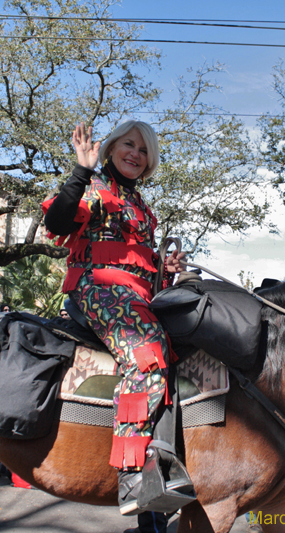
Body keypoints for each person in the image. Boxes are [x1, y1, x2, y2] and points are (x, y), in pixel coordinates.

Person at [42, 121, 187, 515]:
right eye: (129, 145)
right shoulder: (94, 185)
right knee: (148, 355)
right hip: (98, 288)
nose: (135, 154)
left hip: (136, 296)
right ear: (110, 148)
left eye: (143, 150)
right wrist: (80, 169)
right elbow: (56, 224)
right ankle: (132, 476)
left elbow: (142, 268)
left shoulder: (142, 207)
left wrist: (165, 269)